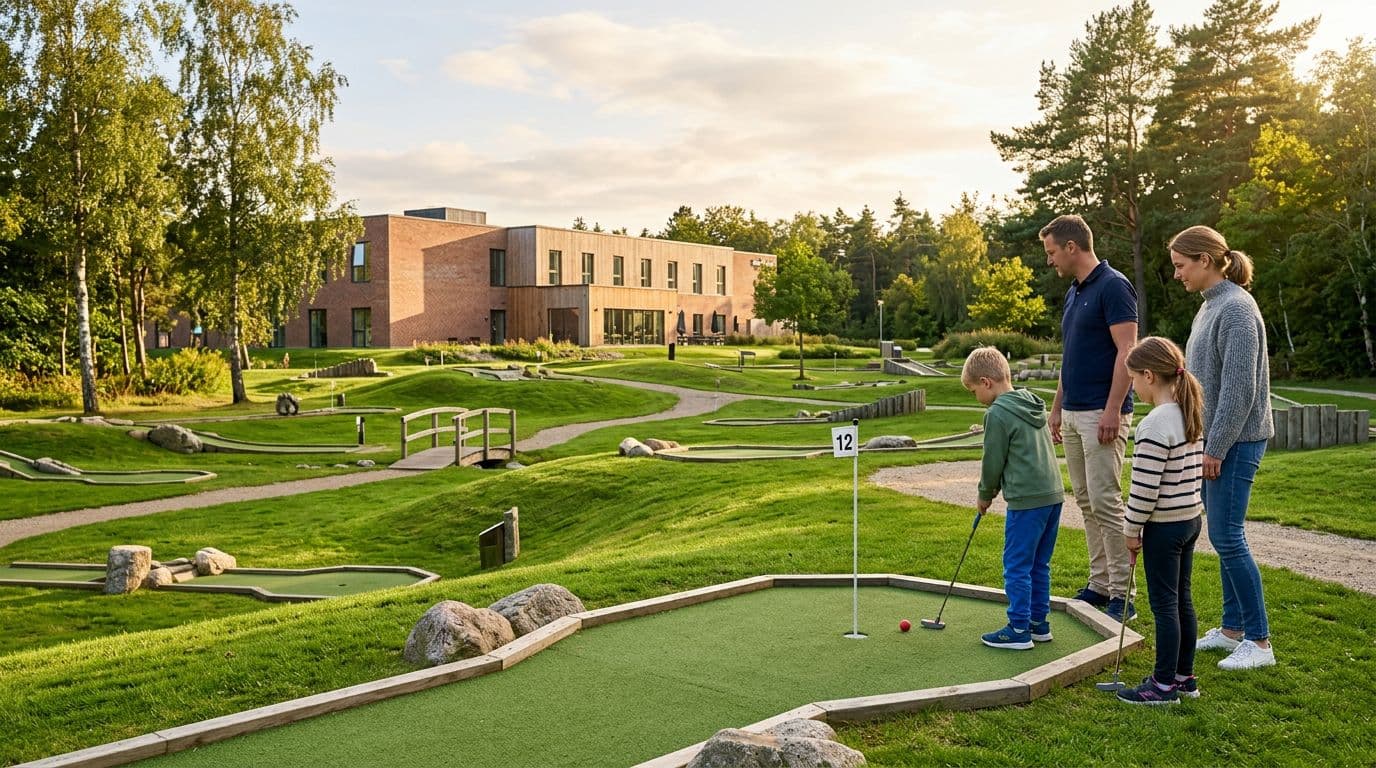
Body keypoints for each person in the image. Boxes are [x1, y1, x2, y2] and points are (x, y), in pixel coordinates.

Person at [1170, 225, 1277, 670]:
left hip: (1237, 440)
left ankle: (1260, 641)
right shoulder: (1210, 307)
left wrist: (1214, 448)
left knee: (1228, 537)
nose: (1177, 275)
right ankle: (1233, 629)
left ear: (1206, 261)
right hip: (1216, 441)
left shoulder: (1235, 309)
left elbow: (1240, 391)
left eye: (1181, 265)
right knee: (1223, 535)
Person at [1041, 215, 1139, 623]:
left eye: (1051, 253)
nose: (1049, 262)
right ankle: (1099, 584)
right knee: (1084, 501)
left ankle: (1123, 594)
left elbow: (1127, 351)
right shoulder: (1073, 292)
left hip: (1104, 411)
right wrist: (1057, 406)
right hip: (1076, 409)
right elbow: (1072, 356)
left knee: (1105, 500)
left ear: (1071, 247)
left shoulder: (1114, 286)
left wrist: (1114, 408)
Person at [1116, 337, 1205, 705]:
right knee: (1182, 599)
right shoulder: (1189, 411)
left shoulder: (1155, 424)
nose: (1133, 387)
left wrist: (1131, 528)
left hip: (1164, 527)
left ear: (1149, 376)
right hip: (1189, 520)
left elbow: (1145, 489)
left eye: (1134, 379)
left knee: (1165, 605)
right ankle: (1184, 677)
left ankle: (1163, 685)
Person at [962, 347, 1065, 650]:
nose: (975, 396)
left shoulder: (997, 413)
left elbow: (993, 460)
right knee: (1039, 564)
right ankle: (1038, 623)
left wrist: (985, 495)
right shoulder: (1032, 403)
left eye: (973, 390)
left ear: (986, 382)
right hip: (1053, 495)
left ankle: (1018, 628)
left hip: (1027, 500)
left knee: (1017, 564)